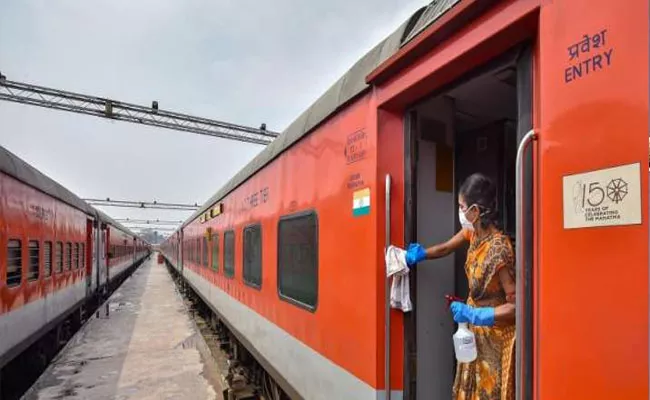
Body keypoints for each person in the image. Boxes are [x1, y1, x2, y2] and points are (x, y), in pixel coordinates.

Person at [406, 173, 516, 400]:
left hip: (494, 338)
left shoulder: (500, 249)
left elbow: (517, 308)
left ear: (475, 211)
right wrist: (422, 254)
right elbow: (447, 247)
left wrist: (477, 314)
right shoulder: (472, 233)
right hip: (473, 337)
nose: (460, 211)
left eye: (461, 206)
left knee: (488, 393)